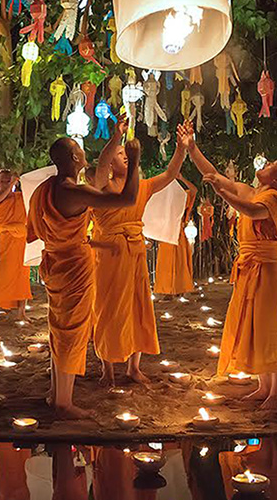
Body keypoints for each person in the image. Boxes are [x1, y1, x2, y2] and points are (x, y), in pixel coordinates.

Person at [179, 122, 277, 410]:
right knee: (254, 325)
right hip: (250, 266)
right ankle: (263, 385)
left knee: (270, 326)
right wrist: (192, 148)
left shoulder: (272, 198)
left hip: (267, 268)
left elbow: (252, 212)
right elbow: (216, 177)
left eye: (274, 164)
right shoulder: (252, 190)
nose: (267, 163)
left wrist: (223, 194)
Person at [26, 134, 141, 419]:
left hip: (54, 261)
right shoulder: (72, 192)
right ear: (76, 159)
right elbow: (127, 199)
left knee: (59, 328)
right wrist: (135, 159)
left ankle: (56, 394)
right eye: (79, 148)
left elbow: (100, 174)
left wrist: (116, 136)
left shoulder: (47, 188)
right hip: (73, 266)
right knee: (72, 331)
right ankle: (64, 402)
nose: (83, 150)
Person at [91, 118, 186, 386]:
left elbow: (169, 175)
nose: (124, 156)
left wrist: (181, 148)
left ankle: (133, 367)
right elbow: (100, 164)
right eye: (119, 155)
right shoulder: (104, 187)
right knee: (107, 308)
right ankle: (107, 369)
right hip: (109, 254)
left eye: (126, 154)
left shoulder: (142, 187)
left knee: (138, 307)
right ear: (111, 164)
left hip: (135, 253)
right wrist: (115, 138)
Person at [0, 170, 32, 323]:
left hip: (21, 240)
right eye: (3, 181)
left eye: (9, 181)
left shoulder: (21, 197)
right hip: (5, 241)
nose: (6, 184)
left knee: (22, 275)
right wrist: (11, 184)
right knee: (0, 276)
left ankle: (21, 312)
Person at [154, 175, 197, 296]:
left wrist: (182, 178)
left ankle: (180, 289)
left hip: (179, 233)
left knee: (180, 261)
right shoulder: (162, 200)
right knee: (165, 262)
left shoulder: (183, 196)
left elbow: (194, 190)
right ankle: (166, 290)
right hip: (166, 233)